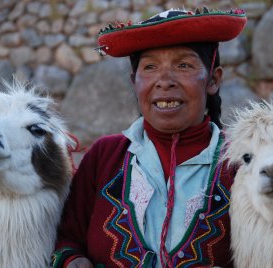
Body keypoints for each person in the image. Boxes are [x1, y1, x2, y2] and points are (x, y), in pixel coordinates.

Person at [51, 7, 247, 268]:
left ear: (213, 80)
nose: (164, 81)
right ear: (135, 81)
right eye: (151, 67)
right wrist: (73, 260)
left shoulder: (240, 164)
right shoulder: (104, 157)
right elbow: (66, 236)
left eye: (184, 65)